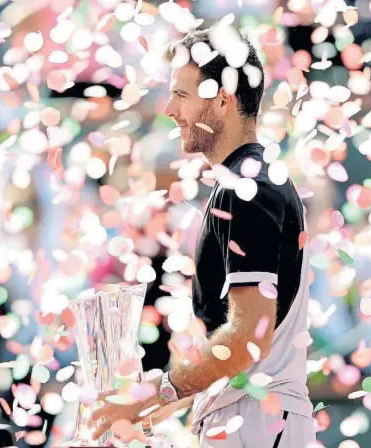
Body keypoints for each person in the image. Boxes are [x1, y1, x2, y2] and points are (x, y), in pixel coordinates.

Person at [89, 24, 316, 447]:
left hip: (255, 423)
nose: (169, 110)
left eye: (182, 95)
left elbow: (248, 339)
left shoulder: (249, 188)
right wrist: (148, 409)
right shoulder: (248, 181)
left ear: (223, 100)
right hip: (252, 420)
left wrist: (150, 395)